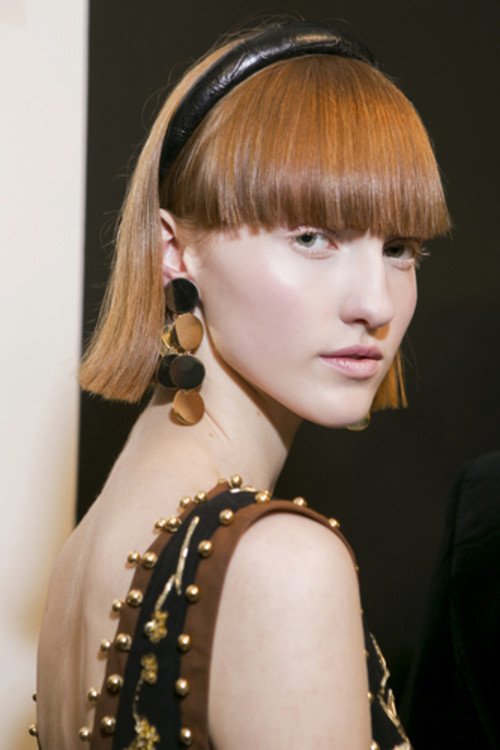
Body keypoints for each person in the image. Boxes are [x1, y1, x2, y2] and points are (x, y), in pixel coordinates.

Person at [33, 20, 449, 750]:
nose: (376, 303)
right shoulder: (283, 566)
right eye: (312, 237)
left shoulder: (90, 548)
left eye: (399, 248)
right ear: (174, 250)